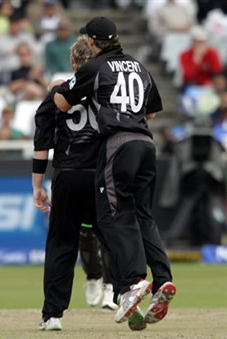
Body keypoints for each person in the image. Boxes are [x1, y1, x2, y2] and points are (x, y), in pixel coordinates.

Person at [53, 17, 176, 327]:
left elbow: (61, 103)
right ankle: (163, 278)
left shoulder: (95, 67)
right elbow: (151, 112)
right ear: (117, 37)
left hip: (117, 145)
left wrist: (72, 90)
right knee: (143, 216)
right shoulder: (140, 67)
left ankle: (134, 281)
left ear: (92, 42)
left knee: (111, 216)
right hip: (146, 145)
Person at [32, 36, 100, 331]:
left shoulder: (58, 93)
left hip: (67, 174)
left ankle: (53, 315)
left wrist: (37, 185)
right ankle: (128, 291)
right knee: (115, 237)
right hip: (100, 175)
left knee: (61, 244)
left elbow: (42, 143)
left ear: (73, 63)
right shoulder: (106, 92)